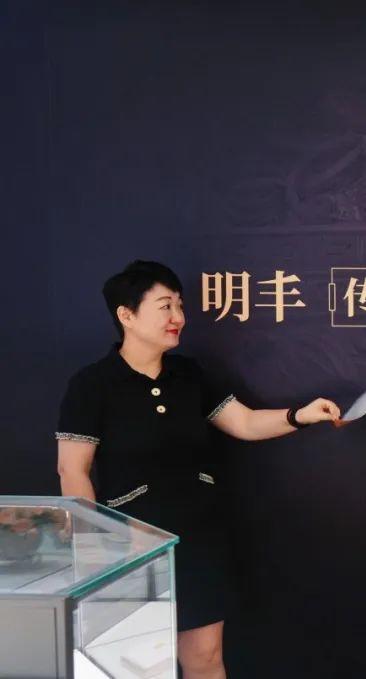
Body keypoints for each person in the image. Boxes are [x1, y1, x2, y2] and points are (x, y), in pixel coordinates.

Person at [56, 260, 341, 679]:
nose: (178, 317)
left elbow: (244, 423)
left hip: (198, 538)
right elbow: (72, 470)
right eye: (165, 306)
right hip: (132, 545)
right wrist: (94, 545)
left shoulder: (188, 374)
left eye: (180, 306)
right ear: (127, 315)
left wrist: (300, 415)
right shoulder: (93, 385)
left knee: (205, 658)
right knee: (135, 665)